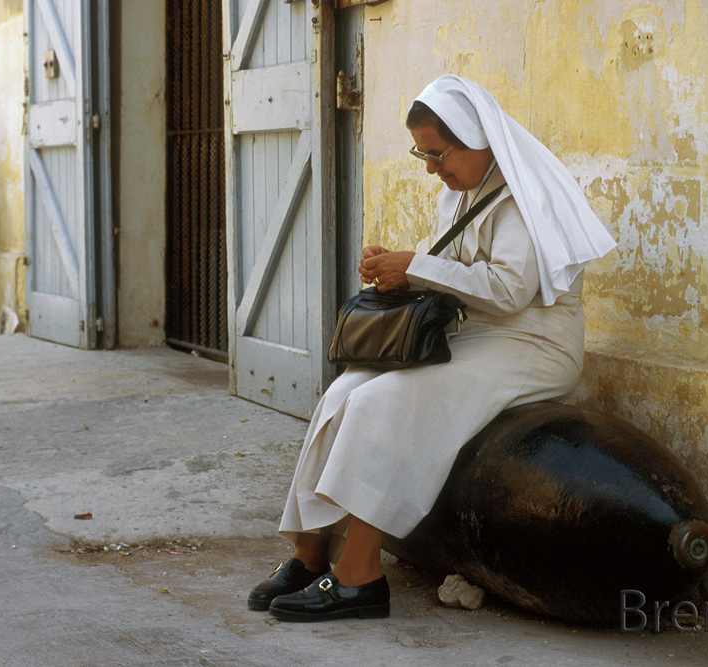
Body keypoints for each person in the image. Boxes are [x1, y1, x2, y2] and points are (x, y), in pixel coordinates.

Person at [248, 74, 617, 622]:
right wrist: (399, 266)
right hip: (478, 335)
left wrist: (416, 267)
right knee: (345, 390)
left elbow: (510, 290)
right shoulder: (459, 193)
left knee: (383, 402)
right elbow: (449, 264)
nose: (431, 168)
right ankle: (309, 550)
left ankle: (361, 575)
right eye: (423, 154)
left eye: (438, 153)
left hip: (533, 345)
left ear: (478, 140)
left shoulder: (525, 198)